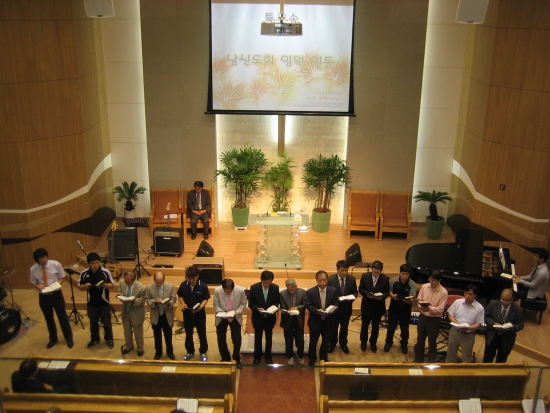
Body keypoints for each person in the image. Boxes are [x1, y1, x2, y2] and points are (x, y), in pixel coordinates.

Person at [29, 248, 73, 349]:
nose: (44, 260)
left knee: (62, 316)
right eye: (41, 258)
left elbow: (63, 277)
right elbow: (33, 282)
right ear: (37, 259)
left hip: (56, 294)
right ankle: (53, 338)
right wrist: (38, 286)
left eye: (45, 257)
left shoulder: (55, 264)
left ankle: (69, 338)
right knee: (48, 318)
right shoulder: (33, 269)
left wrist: (56, 284)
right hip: (43, 296)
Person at [78, 252, 115, 349]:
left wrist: (104, 285)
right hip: (91, 303)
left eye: (97, 262)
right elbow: (80, 286)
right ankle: (95, 339)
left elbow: (112, 285)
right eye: (93, 263)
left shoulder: (105, 272)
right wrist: (85, 286)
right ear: (89, 263)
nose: (95, 265)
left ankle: (109, 339)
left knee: (107, 323)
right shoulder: (84, 273)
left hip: (104, 302)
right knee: (93, 323)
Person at [412, 271, 448, 362]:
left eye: (434, 281)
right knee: (420, 340)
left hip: (434, 320)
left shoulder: (444, 292)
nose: (431, 282)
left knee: (432, 342)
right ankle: (418, 360)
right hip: (422, 317)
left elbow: (440, 309)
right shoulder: (424, 286)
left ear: (439, 280)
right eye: (430, 279)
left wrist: (430, 309)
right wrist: (421, 306)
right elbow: (419, 300)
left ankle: (430, 363)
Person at [306, 270, 339, 365]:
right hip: (315, 320)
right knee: (313, 341)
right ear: (316, 280)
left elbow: (336, 304)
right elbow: (308, 305)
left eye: (324, 279)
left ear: (327, 280)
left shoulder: (333, 290)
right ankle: (312, 357)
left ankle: (323, 357)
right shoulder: (311, 292)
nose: (322, 282)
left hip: (328, 320)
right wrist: (317, 311)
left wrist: (331, 311)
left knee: (326, 341)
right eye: (320, 280)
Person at [177, 265, 210, 362]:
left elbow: (206, 298)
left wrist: (201, 306)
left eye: (193, 278)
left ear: (197, 276)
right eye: (189, 278)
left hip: (199, 314)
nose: (191, 280)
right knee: (188, 334)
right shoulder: (183, 285)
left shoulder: (203, 286)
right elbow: (180, 296)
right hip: (187, 313)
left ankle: (203, 351)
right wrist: (183, 303)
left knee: (202, 333)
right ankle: (190, 351)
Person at [483, 288, 525, 363]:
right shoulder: (493, 303)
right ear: (500, 297)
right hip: (492, 336)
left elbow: (520, 325)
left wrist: (511, 327)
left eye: (508, 301)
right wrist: (493, 323)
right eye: (503, 300)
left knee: (501, 361)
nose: (505, 303)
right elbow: (486, 316)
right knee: (487, 359)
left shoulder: (518, 310)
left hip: (506, 339)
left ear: (512, 299)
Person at [248, 270, 280, 364]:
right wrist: (257, 308)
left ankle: (268, 356)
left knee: (269, 338)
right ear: (261, 279)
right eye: (265, 282)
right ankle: (257, 356)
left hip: (270, 318)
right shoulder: (254, 288)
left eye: (269, 283)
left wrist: (273, 308)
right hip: (258, 317)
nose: (267, 285)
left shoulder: (275, 288)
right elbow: (251, 303)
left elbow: (277, 301)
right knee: (258, 338)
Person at [445, 284, 485, 362]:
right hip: (455, 332)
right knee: (450, 354)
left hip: (468, 335)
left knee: (467, 357)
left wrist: (469, 328)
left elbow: (479, 323)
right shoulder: (457, 302)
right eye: (466, 293)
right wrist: (455, 322)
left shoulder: (479, 308)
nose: (467, 296)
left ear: (475, 295)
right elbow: (450, 314)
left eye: (470, 294)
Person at [213, 278, 247, 367]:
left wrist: (236, 312)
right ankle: (225, 357)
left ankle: (236, 358)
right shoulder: (217, 290)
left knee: (237, 339)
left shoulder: (240, 290)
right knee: (221, 339)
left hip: (235, 316)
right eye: (225, 291)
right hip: (221, 317)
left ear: (233, 288)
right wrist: (222, 313)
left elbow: (243, 304)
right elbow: (216, 304)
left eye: (229, 291)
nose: (227, 292)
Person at [384, 264, 416, 354]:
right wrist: (392, 296)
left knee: (404, 329)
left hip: (405, 310)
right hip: (394, 308)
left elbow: (411, 299)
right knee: (391, 327)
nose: (405, 276)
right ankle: (388, 342)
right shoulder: (393, 280)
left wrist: (405, 299)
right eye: (403, 274)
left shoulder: (412, 283)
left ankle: (404, 344)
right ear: (400, 273)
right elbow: (389, 290)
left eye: (407, 274)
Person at [358, 260, 390, 353]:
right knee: (364, 325)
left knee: (375, 326)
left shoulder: (385, 278)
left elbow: (387, 292)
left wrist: (382, 297)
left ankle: (373, 343)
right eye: (374, 272)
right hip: (367, 305)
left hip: (378, 306)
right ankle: (363, 342)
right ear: (371, 269)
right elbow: (361, 289)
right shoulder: (365, 276)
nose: (375, 274)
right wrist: (367, 294)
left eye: (377, 272)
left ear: (381, 271)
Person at [327, 260, 357, 354]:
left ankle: (343, 344)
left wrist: (351, 298)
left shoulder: (352, 279)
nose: (344, 272)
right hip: (335, 309)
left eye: (346, 270)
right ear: (337, 270)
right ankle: (332, 343)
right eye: (342, 270)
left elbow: (355, 292)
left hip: (346, 308)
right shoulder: (331, 280)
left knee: (344, 328)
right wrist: (337, 300)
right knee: (333, 328)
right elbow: (328, 295)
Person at [146, 271, 177, 360]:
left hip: (167, 314)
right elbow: (147, 300)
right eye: (157, 282)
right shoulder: (149, 287)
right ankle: (158, 352)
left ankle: (170, 352)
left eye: (161, 282)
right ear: (154, 280)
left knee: (168, 335)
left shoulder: (170, 287)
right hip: (156, 315)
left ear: (164, 280)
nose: (159, 284)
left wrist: (168, 303)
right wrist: (154, 301)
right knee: (157, 336)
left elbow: (174, 299)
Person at [117, 271, 146, 357]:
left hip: (136, 313)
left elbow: (143, 300)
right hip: (126, 311)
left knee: (138, 333)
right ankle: (129, 346)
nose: (127, 283)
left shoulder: (141, 287)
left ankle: (140, 348)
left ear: (134, 280)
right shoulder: (122, 283)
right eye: (126, 281)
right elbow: (119, 290)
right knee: (127, 331)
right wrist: (120, 295)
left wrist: (134, 301)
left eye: (129, 282)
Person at [280, 278, 306, 365]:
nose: (290, 291)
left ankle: (300, 356)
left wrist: (296, 308)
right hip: (288, 320)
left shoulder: (302, 292)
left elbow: (305, 304)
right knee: (288, 341)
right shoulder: (282, 294)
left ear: (296, 286)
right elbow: (282, 307)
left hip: (298, 320)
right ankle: (290, 356)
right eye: (289, 289)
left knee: (300, 340)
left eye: (292, 289)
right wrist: (287, 311)